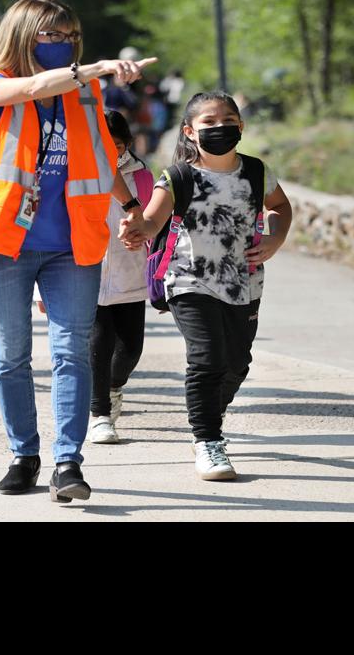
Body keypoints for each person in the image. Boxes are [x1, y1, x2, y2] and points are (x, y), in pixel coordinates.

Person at [0, 0, 154, 501]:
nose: (63, 45)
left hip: (71, 245)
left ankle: (67, 463)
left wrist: (131, 209)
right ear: (21, 36)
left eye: (70, 37)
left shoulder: (84, 94)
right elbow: (33, 86)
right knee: (12, 357)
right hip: (3, 245)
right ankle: (24, 454)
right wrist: (95, 67)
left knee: (70, 353)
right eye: (51, 36)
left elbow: (102, 153)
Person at [119, 91, 292, 481]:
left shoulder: (256, 171)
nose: (220, 128)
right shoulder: (178, 176)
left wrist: (275, 239)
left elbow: (280, 207)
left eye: (228, 120)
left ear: (241, 126)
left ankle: (210, 411)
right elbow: (151, 221)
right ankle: (208, 441)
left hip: (244, 282)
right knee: (207, 358)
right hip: (189, 279)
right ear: (189, 132)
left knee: (237, 363)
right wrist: (137, 229)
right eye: (209, 123)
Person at [88, 110, 153, 444]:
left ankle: (113, 387)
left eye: (114, 144)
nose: (108, 152)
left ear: (126, 143)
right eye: (101, 144)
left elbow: (156, 224)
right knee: (98, 343)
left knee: (130, 349)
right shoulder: (78, 171)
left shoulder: (142, 176)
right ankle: (99, 414)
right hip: (88, 274)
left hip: (131, 275)